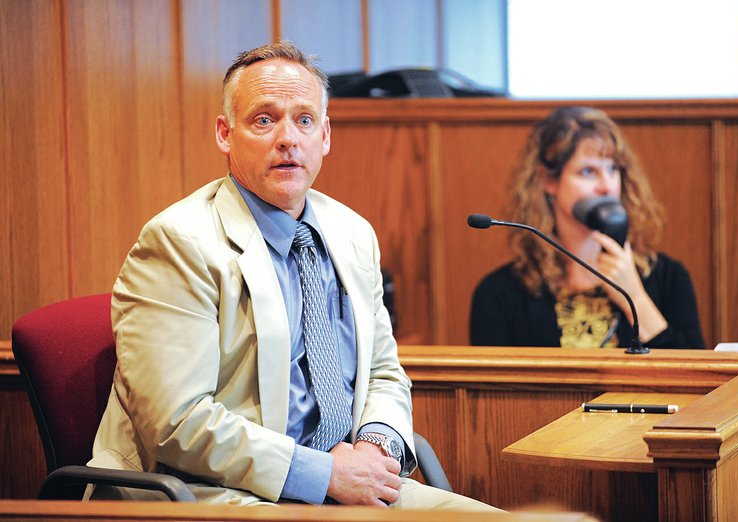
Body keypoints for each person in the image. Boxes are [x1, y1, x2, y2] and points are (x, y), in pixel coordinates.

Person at [89, 41, 498, 511]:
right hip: (212, 491)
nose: (288, 138)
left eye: (304, 120)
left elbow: (384, 371)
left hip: (351, 479)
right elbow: (178, 424)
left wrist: (374, 451)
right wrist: (324, 474)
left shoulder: (351, 232)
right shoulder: (178, 241)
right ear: (225, 134)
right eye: (264, 119)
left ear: (324, 136)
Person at [470, 106, 704, 349]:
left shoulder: (668, 277)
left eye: (613, 169)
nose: (607, 186)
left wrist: (634, 298)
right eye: (588, 171)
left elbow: (698, 378)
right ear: (549, 181)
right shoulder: (500, 293)